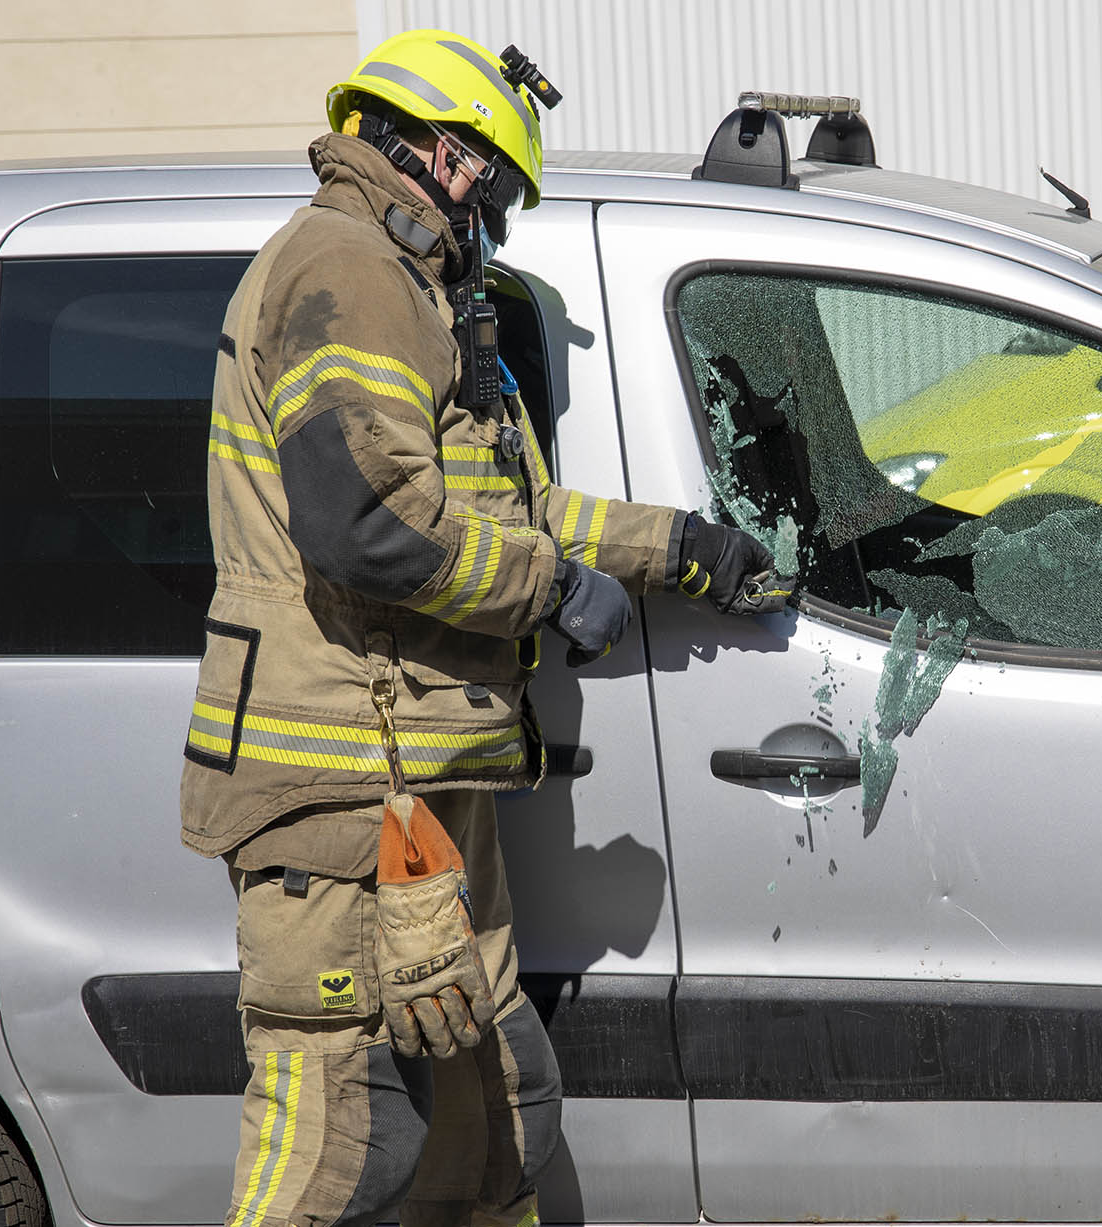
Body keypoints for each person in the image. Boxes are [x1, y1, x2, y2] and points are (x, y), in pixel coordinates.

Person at [179, 29, 788, 1227]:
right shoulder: (343, 272)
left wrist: (677, 549)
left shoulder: (404, 290)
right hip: (345, 789)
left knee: (493, 1103)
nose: (492, 230)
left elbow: (500, 508)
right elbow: (368, 523)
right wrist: (551, 592)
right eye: (497, 198)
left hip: (420, 779)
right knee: (340, 1138)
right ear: (448, 161)